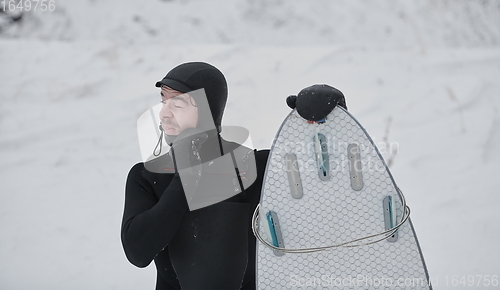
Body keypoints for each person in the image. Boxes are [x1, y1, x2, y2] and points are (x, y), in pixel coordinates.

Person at [121, 62, 269, 289]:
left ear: (208, 110)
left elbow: (326, 182)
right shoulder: (146, 176)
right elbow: (137, 253)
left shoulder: (255, 167)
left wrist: (325, 118)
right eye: (163, 101)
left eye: (177, 104)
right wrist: (185, 179)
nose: (163, 113)